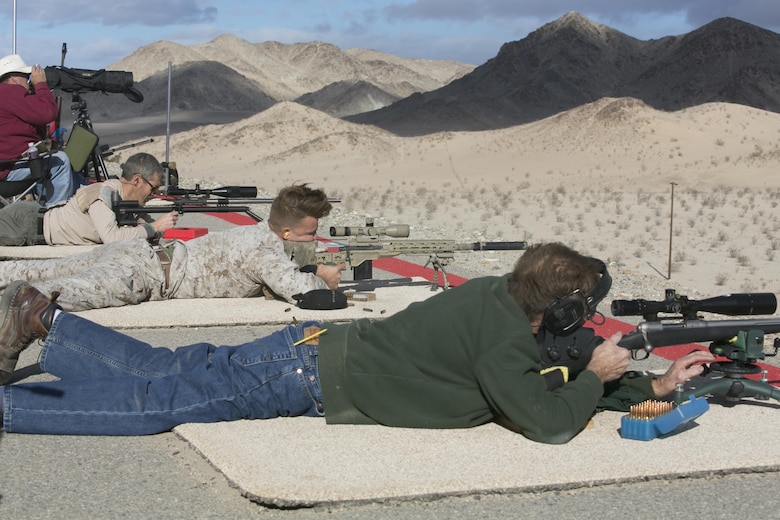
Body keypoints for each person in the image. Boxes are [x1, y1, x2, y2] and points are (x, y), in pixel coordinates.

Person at [0, 242, 715, 442]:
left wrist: (649, 386)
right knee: (158, 403)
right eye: (583, 314)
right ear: (557, 314)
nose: (589, 326)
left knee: (171, 366)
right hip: (304, 376)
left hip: (304, 348)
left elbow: (552, 369)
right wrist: (597, 374)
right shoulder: (506, 342)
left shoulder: (499, 299)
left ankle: (45, 320)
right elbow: (549, 418)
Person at [0, 183, 346, 311]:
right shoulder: (265, 253)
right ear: (286, 231)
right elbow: (307, 297)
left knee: (28, 270)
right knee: (39, 297)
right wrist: (325, 280)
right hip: (146, 276)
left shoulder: (256, 233)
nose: (313, 241)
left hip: (139, 254)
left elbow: (278, 273)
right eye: (308, 235)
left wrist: (311, 268)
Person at [0, 152, 178, 246]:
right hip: (24, 226)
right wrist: (153, 227)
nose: (154, 194)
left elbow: (147, 226)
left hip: (31, 219)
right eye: (153, 188)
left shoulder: (126, 199)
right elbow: (112, 238)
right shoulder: (104, 194)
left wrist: (156, 227)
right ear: (137, 180)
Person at [0, 54, 80, 206]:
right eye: (26, 77)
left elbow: (37, 128)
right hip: (7, 170)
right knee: (60, 161)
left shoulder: (6, 96)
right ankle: (55, 216)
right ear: (14, 78)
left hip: (5, 166)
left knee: (57, 166)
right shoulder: (11, 92)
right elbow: (47, 113)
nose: (29, 82)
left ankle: (82, 199)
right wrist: (41, 85)